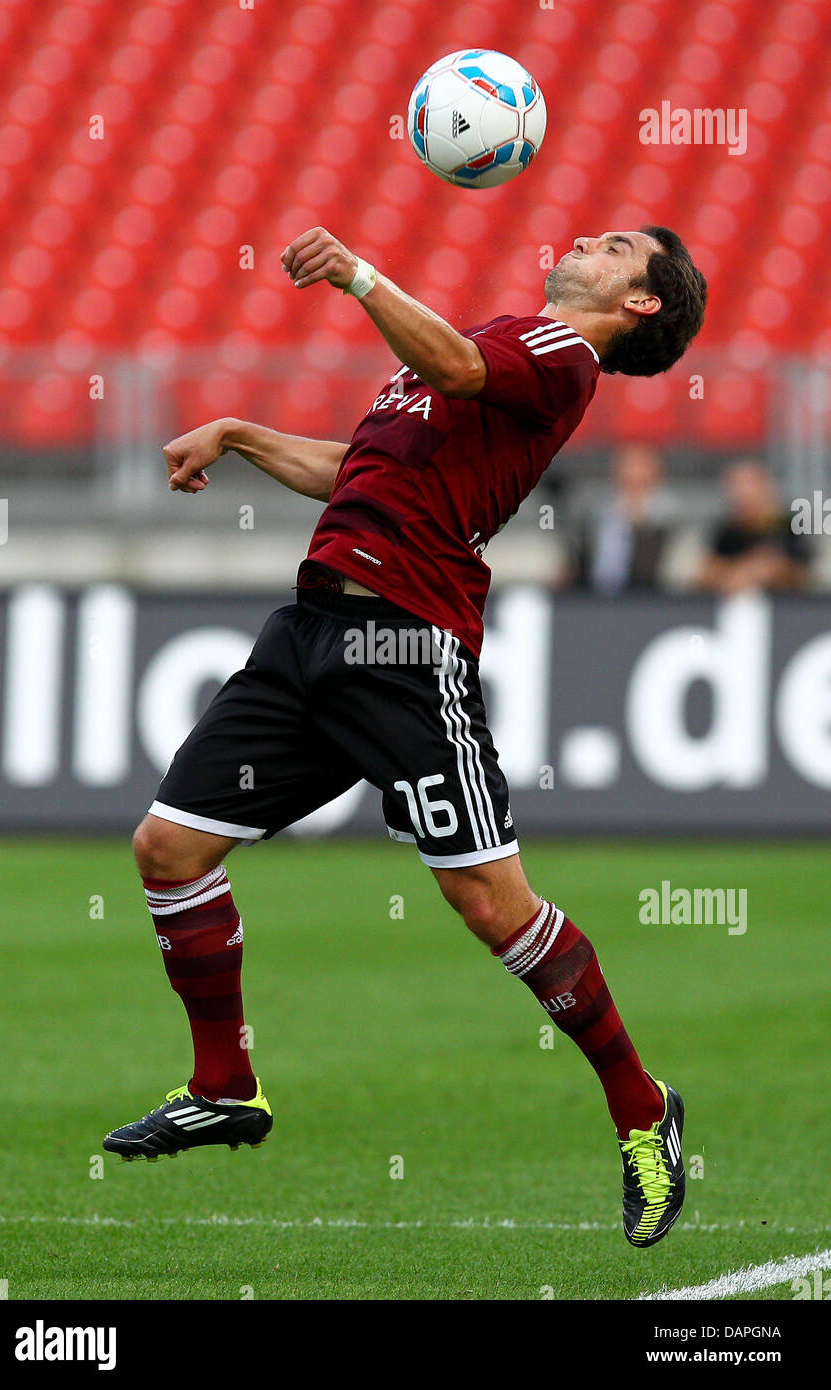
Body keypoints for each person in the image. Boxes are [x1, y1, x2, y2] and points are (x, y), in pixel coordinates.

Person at [103, 225, 707, 1249]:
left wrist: (356, 274)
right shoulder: (485, 352)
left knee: (487, 901)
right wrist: (243, 435)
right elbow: (356, 466)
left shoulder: (558, 353)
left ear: (637, 304)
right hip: (308, 636)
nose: (587, 241)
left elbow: (455, 362)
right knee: (168, 847)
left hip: (404, 642)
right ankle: (225, 1086)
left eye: (614, 248)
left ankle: (639, 1106)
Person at [571, 441, 670, 594]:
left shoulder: (666, 517)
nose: (633, 473)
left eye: (640, 465)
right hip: (593, 596)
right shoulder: (598, 512)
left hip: (646, 598)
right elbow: (581, 559)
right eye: (628, 464)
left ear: (655, 473)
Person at [697, 458, 809, 594]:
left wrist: (768, 570)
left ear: (765, 486)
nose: (742, 493)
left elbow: (803, 575)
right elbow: (706, 574)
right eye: (735, 485)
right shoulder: (726, 530)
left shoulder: (791, 526)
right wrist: (739, 571)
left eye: (748, 484)